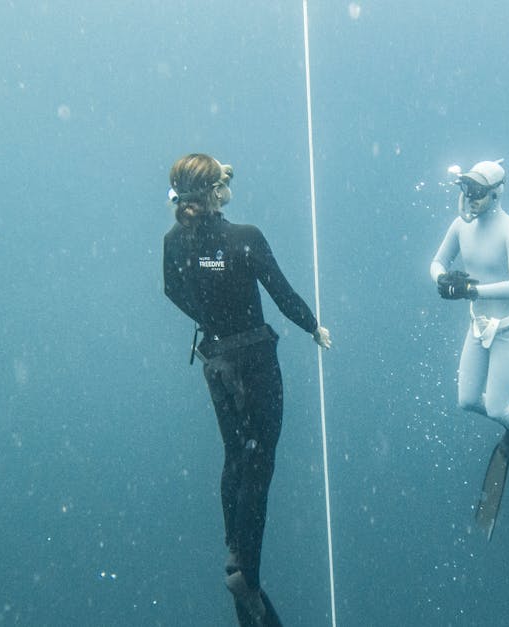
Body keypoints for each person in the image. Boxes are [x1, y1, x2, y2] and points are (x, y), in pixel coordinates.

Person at [163, 153, 332, 626]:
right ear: (215, 193)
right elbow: (281, 292)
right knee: (261, 460)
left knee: (235, 456)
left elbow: (171, 290)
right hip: (256, 361)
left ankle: (234, 549)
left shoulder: (174, 240)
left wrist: (208, 317)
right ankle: (248, 574)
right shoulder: (245, 237)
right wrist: (313, 326)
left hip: (216, 362)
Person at [429, 159, 509, 590]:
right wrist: (443, 279)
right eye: (467, 191)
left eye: (478, 192)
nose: (470, 199)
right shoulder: (460, 226)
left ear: (497, 192)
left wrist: (472, 289)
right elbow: (436, 262)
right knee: (467, 399)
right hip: (478, 326)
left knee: (499, 406)